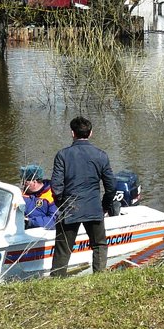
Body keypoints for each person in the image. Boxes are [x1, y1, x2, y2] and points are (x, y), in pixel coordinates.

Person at [50, 116, 117, 276]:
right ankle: (99, 278)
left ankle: (57, 282)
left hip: (70, 208)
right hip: (94, 207)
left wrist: (62, 205)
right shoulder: (101, 155)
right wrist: (104, 206)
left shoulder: (63, 155)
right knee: (99, 245)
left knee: (63, 249)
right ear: (91, 133)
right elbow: (111, 186)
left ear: (72, 133)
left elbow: (56, 187)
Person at [20, 164, 58, 229]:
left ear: (34, 182)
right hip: (21, 228)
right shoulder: (22, 194)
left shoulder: (52, 195)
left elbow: (54, 220)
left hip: (40, 231)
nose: (23, 184)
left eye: (25, 181)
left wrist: (30, 222)